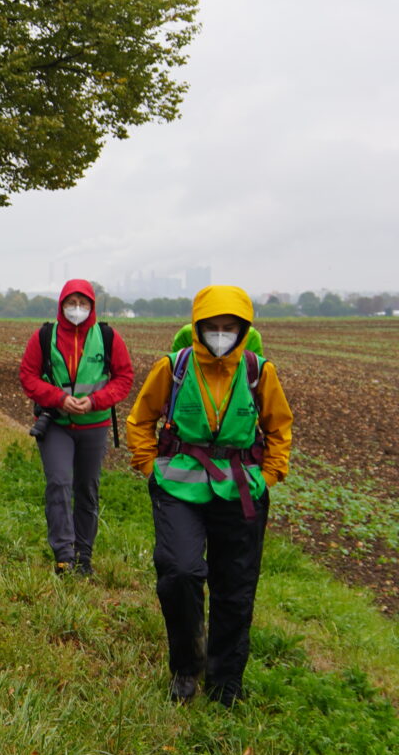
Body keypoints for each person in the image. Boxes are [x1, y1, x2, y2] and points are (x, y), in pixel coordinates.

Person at [126, 286, 293, 706]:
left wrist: (269, 475)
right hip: (178, 488)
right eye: (212, 327)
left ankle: (225, 685)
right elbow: (140, 419)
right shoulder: (173, 368)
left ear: (243, 330)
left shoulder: (258, 371)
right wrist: (150, 467)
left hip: (241, 492)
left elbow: (279, 427)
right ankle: (186, 667)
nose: (221, 335)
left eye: (230, 327)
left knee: (235, 587)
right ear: (198, 329)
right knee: (180, 572)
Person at [18, 280, 135, 577]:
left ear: (92, 306)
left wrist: (95, 401)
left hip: (94, 425)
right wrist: (58, 398)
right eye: (72, 303)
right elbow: (28, 375)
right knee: (58, 483)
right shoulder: (45, 336)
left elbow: (124, 377)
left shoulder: (107, 336)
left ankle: (84, 556)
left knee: (87, 489)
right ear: (61, 305)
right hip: (56, 423)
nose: (77, 309)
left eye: (83, 304)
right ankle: (64, 555)